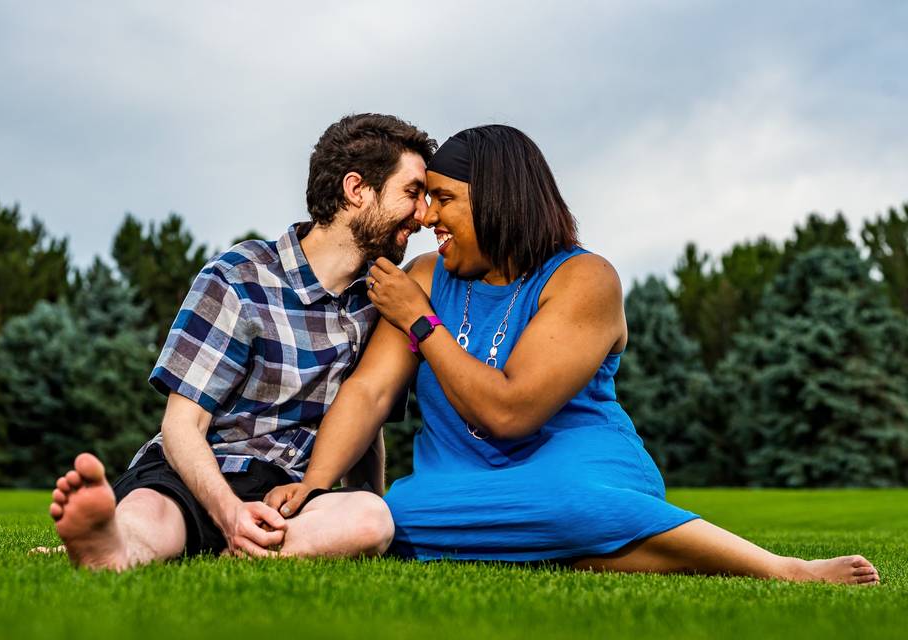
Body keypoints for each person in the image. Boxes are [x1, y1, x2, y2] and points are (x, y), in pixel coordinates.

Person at [267, 125, 880, 585]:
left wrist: (422, 324)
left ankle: (782, 569)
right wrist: (317, 488)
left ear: (498, 201)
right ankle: (583, 551)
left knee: (572, 503)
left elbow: (509, 414)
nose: (427, 217)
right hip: (458, 480)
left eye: (443, 199)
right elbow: (370, 391)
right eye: (423, 198)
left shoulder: (584, 279)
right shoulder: (426, 276)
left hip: (578, 466)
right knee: (393, 512)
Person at [45, 113, 436, 571]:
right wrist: (229, 513)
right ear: (356, 190)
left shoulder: (378, 299)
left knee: (370, 519)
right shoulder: (238, 277)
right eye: (412, 193)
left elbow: (365, 423)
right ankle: (116, 543)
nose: (424, 215)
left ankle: (223, 544)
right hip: (199, 474)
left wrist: (363, 498)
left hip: (290, 496)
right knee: (152, 514)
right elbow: (181, 426)